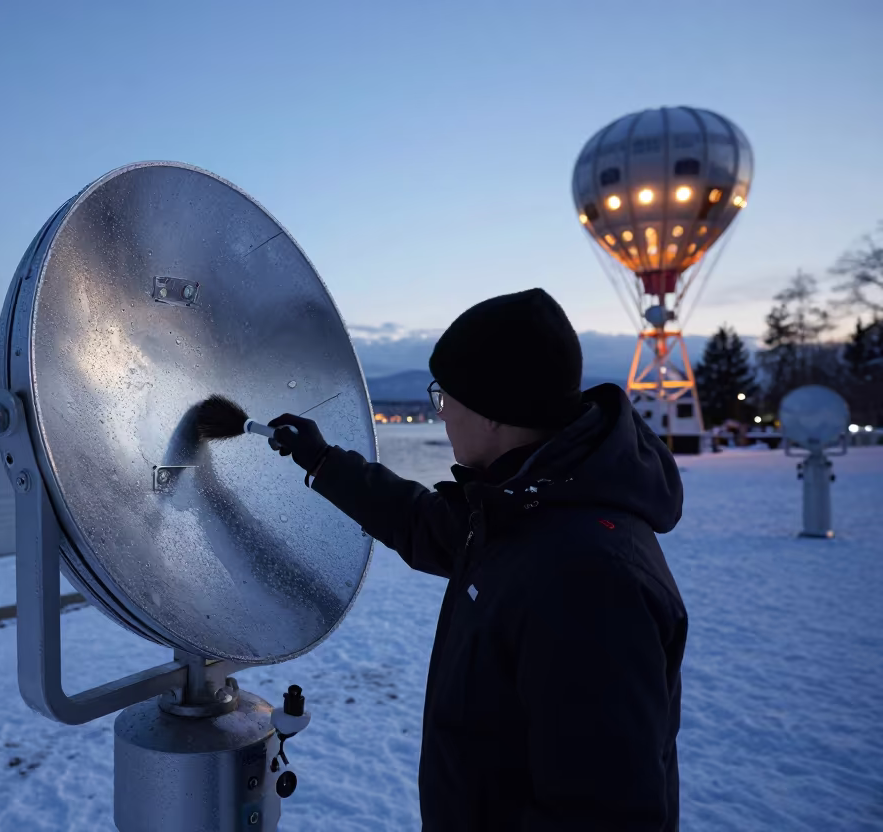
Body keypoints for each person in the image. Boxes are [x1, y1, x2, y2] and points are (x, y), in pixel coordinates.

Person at [268, 288, 688, 831]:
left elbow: (603, 812)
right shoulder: (526, 503)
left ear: (494, 412)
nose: (438, 415)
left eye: (444, 399)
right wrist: (323, 461)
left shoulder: (588, 578)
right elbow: (422, 522)